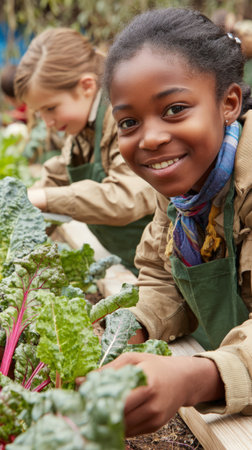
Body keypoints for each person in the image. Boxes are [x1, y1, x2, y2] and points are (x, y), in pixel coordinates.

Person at [100, 7, 252, 437]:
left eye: (175, 109)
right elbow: (161, 278)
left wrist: (192, 378)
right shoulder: (181, 194)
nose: (149, 138)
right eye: (129, 122)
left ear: (229, 103)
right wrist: (125, 332)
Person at [14, 27, 156, 275]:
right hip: (137, 264)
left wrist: (44, 198)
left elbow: (127, 197)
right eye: (39, 113)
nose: (46, 122)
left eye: (50, 108)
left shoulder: (126, 117)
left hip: (168, 266)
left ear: (86, 86)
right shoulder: (82, 127)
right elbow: (59, 173)